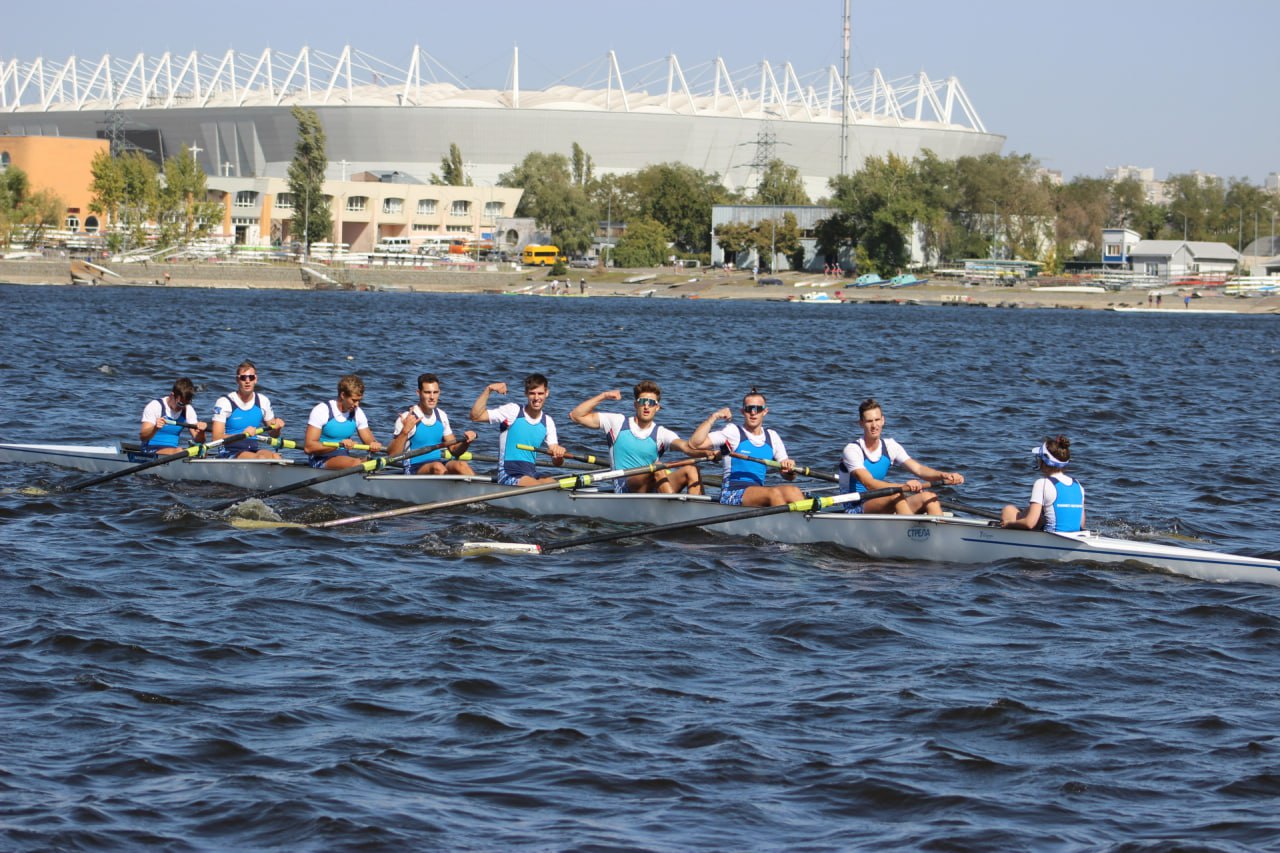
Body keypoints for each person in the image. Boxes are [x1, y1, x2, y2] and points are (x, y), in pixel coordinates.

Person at [570, 381, 712, 495]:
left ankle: (695, 509)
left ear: (657, 408)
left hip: (654, 483)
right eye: (642, 401)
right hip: (626, 487)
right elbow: (576, 416)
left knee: (691, 469)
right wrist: (604, 396)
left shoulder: (661, 433)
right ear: (635, 404)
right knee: (657, 468)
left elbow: (687, 447)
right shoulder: (617, 423)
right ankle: (673, 509)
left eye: (651, 403)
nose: (646, 406)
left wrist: (708, 453)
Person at [838, 398, 964, 515]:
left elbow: (919, 470)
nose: (874, 425)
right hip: (856, 506)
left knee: (929, 497)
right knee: (896, 495)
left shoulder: (890, 446)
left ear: (883, 420)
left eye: (877, 420)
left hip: (883, 500)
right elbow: (869, 483)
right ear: (861, 423)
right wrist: (904, 487)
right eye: (869, 421)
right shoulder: (852, 450)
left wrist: (944, 475)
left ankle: (940, 533)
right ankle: (911, 533)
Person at [691, 389, 805, 506]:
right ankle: (782, 522)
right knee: (774, 494)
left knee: (794, 491)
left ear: (765, 411)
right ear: (742, 411)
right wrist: (713, 417)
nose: (753, 413)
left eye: (758, 409)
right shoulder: (732, 432)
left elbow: (788, 477)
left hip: (759, 492)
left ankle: (802, 521)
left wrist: (790, 469)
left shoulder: (772, 436)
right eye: (749, 409)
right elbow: (695, 444)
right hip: (731, 493)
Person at [470, 373, 566, 485]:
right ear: (526, 394)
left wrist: (559, 455)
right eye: (532, 393)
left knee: (552, 483)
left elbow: (556, 462)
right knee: (536, 484)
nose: (536, 398)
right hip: (508, 473)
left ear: (546, 393)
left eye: (540, 393)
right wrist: (489, 390)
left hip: (531, 472)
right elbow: (476, 416)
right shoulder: (513, 411)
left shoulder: (548, 421)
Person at [387, 372, 477, 475]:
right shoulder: (407, 418)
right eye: (427, 392)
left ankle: (481, 489)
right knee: (437, 467)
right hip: (414, 469)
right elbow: (392, 455)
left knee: (461, 465)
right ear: (418, 393)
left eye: (435, 392)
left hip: (437, 465)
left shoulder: (441, 415)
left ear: (439, 392)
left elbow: (454, 450)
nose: (432, 397)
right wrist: (404, 432)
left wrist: (466, 442)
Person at [1000, 436, 1085, 532]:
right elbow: (1081, 524)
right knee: (1029, 511)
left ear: (1044, 462)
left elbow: (1029, 523)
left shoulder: (1042, 483)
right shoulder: (1077, 485)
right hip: (1075, 535)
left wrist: (1008, 524)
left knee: (1009, 510)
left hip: (1052, 538)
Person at [303, 374, 384, 469]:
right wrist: (339, 444)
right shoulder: (322, 410)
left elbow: (369, 440)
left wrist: (374, 444)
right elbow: (309, 447)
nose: (357, 405)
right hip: (320, 459)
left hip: (343, 458)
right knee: (358, 464)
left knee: (376, 462)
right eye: (354, 400)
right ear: (343, 395)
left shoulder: (358, 413)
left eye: (359, 401)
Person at [209, 360, 285, 458]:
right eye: (243, 378)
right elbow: (216, 438)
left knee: (276, 457)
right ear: (237, 380)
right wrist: (242, 435)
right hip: (229, 452)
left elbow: (274, 435)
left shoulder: (263, 401)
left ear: (255, 379)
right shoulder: (224, 402)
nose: (247, 381)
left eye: (251, 377)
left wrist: (277, 429)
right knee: (260, 459)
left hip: (253, 450)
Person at [140, 378, 207, 455]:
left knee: (202, 451)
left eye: (186, 404)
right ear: (172, 395)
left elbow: (199, 440)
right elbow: (143, 437)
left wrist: (202, 432)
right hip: (150, 450)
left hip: (172, 451)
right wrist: (155, 428)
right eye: (180, 404)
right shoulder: (155, 406)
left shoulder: (187, 409)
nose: (182, 407)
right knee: (179, 451)